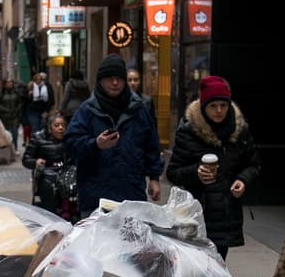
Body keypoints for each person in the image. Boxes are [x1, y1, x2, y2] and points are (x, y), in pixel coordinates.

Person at [165, 76, 262, 260]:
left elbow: (253, 164)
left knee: (218, 271)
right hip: (195, 215)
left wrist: (243, 180)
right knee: (195, 273)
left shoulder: (240, 130)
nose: (219, 111)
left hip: (226, 216)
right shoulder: (188, 131)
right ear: (203, 106)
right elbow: (173, 172)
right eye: (213, 106)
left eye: (223, 105)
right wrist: (196, 173)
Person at [63, 53, 164, 218]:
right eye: (110, 78)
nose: (115, 83)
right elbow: (70, 144)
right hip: (96, 197)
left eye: (119, 78)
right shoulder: (87, 110)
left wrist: (154, 177)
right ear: (100, 80)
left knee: (132, 243)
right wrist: (95, 144)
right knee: (97, 244)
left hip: (131, 195)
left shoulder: (138, 109)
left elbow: (151, 144)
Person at [23, 111, 77, 220]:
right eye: (56, 125)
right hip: (46, 172)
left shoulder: (69, 138)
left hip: (66, 171)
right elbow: (26, 159)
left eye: (63, 125)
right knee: (48, 185)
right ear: (49, 128)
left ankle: (69, 212)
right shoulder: (38, 138)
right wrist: (36, 162)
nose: (61, 128)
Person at [23, 72, 54, 145]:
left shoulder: (46, 86)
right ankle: (35, 144)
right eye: (36, 79)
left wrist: (47, 111)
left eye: (40, 79)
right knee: (35, 128)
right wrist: (29, 95)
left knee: (42, 128)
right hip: (32, 111)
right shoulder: (30, 86)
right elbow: (24, 100)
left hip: (43, 110)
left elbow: (51, 99)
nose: (38, 81)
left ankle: (41, 144)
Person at [0, 77, 25, 150]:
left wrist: (17, 110)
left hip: (15, 115)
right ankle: (9, 148)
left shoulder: (16, 92)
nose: (10, 84)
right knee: (6, 133)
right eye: (8, 82)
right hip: (4, 116)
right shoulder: (0, 92)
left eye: (11, 82)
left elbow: (20, 102)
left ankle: (15, 147)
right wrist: (5, 110)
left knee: (15, 132)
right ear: (5, 84)